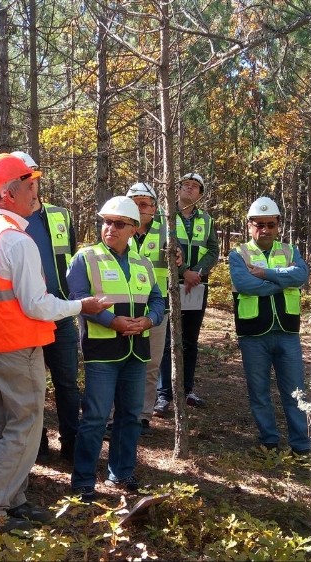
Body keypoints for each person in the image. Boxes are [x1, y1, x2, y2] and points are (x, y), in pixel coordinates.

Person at [0, 153, 107, 532]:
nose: (36, 193)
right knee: (23, 429)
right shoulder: (16, 241)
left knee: (5, 427)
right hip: (16, 348)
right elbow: (37, 305)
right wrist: (82, 305)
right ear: (8, 194)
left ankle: (14, 501)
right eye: (30, 186)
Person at [68, 196, 165, 501]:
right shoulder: (86, 257)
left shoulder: (143, 263)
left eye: (119, 224)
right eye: (107, 222)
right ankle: (83, 480)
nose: (110, 228)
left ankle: (121, 472)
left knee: (131, 415)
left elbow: (158, 299)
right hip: (102, 350)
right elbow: (78, 299)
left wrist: (149, 320)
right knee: (96, 416)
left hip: (137, 350)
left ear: (134, 228)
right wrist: (113, 322)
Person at [12, 150, 81, 461]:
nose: (30, 184)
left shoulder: (60, 215)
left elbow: (71, 257)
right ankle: (37, 445)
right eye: (22, 178)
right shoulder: (9, 219)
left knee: (67, 382)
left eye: (32, 177)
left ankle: (71, 443)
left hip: (61, 313)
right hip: (26, 315)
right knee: (32, 386)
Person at [228, 197, 311, 454]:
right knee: (259, 391)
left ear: (278, 226)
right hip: (253, 333)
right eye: (259, 225)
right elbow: (244, 284)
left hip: (287, 331)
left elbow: (301, 275)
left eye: (270, 225)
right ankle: (269, 441)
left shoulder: (290, 251)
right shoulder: (238, 254)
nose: (265, 230)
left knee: (296, 391)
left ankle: (301, 445)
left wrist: (266, 274)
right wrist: (283, 281)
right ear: (249, 226)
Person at [154, 172, 218, 416]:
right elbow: (163, 247)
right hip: (170, 283)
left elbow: (213, 250)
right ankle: (163, 394)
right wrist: (183, 271)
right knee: (167, 339)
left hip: (197, 286)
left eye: (195, 186)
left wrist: (197, 273)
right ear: (178, 188)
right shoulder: (164, 216)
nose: (189, 189)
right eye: (186, 185)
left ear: (200, 193)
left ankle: (187, 389)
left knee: (190, 340)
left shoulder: (206, 220)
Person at [125, 182, 175, 435]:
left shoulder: (166, 229)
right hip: (123, 305)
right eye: (134, 204)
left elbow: (178, 258)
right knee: (120, 362)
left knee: (151, 363)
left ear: (154, 208)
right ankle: (116, 415)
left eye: (144, 204)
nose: (139, 209)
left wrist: (179, 257)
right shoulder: (120, 226)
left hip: (157, 308)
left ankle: (143, 415)